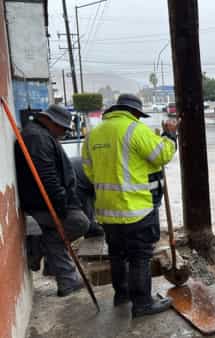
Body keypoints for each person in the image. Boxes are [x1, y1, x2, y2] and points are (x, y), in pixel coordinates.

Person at [82, 94, 178, 318]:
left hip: (107, 210)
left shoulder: (93, 134)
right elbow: (162, 155)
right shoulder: (135, 130)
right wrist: (170, 134)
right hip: (136, 210)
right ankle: (142, 304)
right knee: (140, 256)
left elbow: (89, 170)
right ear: (135, 113)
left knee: (116, 254)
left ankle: (122, 295)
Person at [15, 104, 90, 297]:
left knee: (56, 236)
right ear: (49, 121)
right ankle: (40, 247)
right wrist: (61, 205)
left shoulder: (41, 135)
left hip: (45, 201)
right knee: (78, 224)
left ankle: (66, 280)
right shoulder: (37, 137)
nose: (64, 133)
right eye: (62, 128)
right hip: (44, 202)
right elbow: (46, 176)